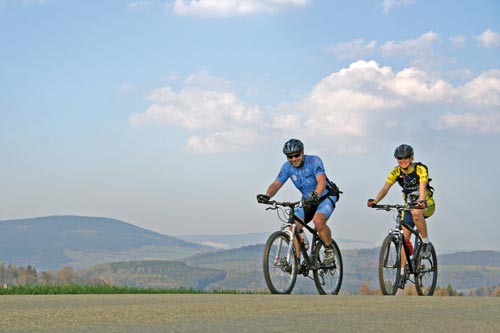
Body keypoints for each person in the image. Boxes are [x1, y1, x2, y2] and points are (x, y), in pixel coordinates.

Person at [256, 138, 339, 266]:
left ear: (302, 152)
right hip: (308, 200)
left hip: (325, 196)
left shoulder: (314, 160)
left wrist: (316, 194)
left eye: (296, 155)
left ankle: (328, 249)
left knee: (318, 221)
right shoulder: (287, 167)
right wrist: (267, 196)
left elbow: (321, 181)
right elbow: (276, 184)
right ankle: (297, 263)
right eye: (290, 157)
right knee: (292, 227)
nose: (294, 159)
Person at [367, 144, 435, 260]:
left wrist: (422, 201)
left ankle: (425, 243)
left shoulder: (420, 169)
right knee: (405, 239)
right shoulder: (396, 172)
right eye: (400, 158)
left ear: (412, 158)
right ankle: (402, 273)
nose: (403, 161)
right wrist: (375, 200)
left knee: (416, 213)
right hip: (409, 206)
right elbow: (385, 189)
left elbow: (422, 187)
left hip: (426, 204)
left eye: (406, 158)